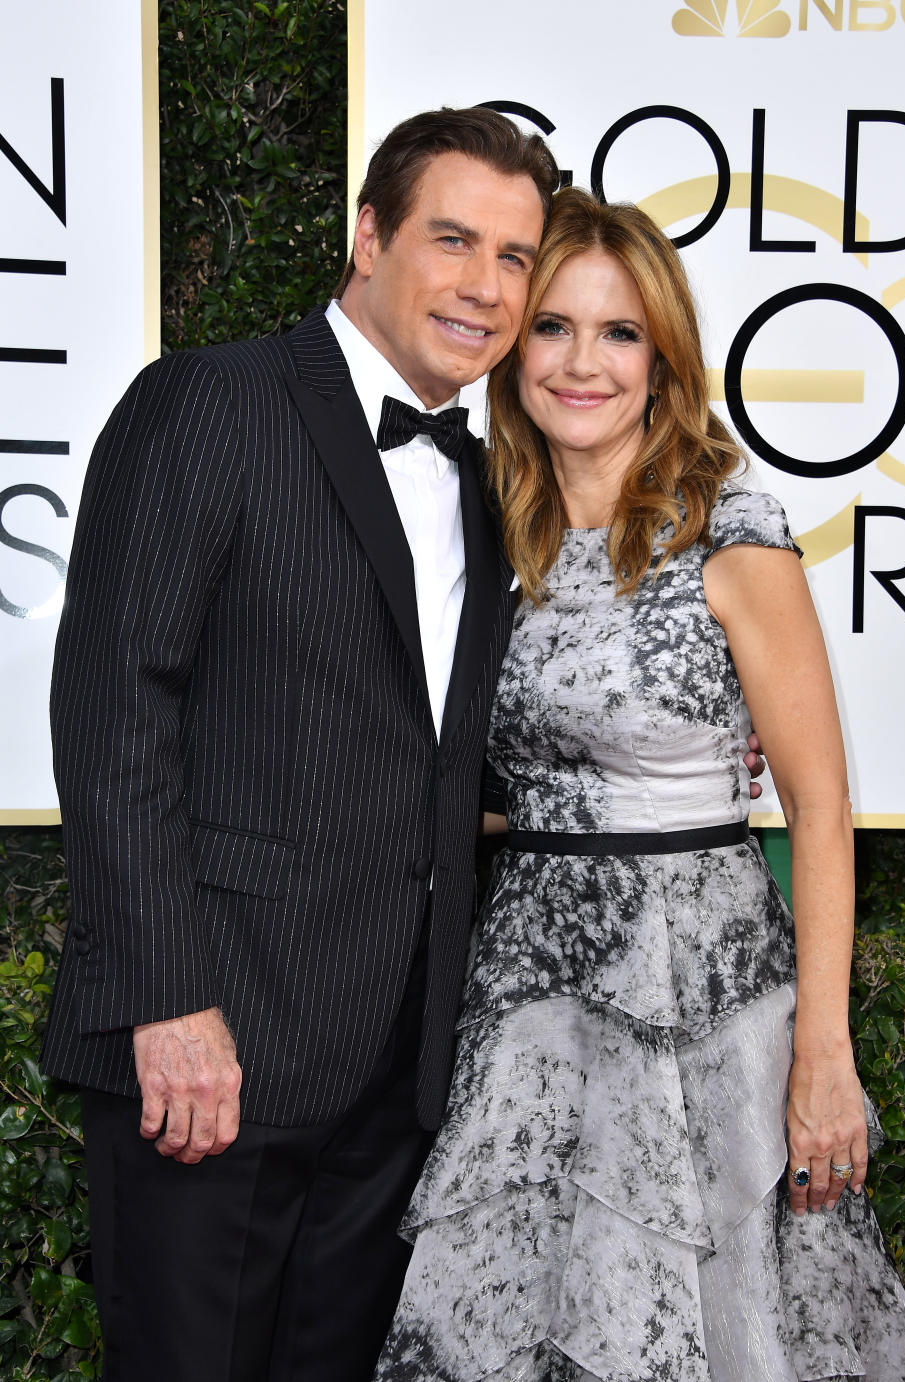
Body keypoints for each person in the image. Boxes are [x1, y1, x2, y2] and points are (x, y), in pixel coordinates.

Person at [374, 188, 905, 1381]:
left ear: (663, 359)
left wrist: (824, 1054)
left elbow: (822, 806)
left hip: (702, 991)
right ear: (515, 345)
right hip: (529, 985)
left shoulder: (728, 534)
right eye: (554, 327)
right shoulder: (491, 531)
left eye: (620, 333)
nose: (583, 362)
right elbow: (495, 776)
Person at [40, 107, 556, 1382]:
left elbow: (434, 750)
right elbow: (114, 714)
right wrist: (169, 999)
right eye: (454, 240)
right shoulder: (211, 403)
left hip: (395, 1064)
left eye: (515, 257)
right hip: (212, 1039)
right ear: (368, 236)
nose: (486, 288)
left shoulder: (494, 482)